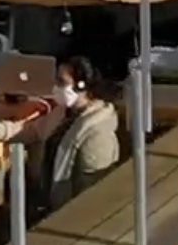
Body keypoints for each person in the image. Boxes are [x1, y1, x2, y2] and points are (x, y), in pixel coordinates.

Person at [45, 56, 124, 209]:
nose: (56, 87)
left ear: (81, 87)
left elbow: (92, 193)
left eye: (62, 82)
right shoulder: (65, 114)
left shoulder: (98, 136)